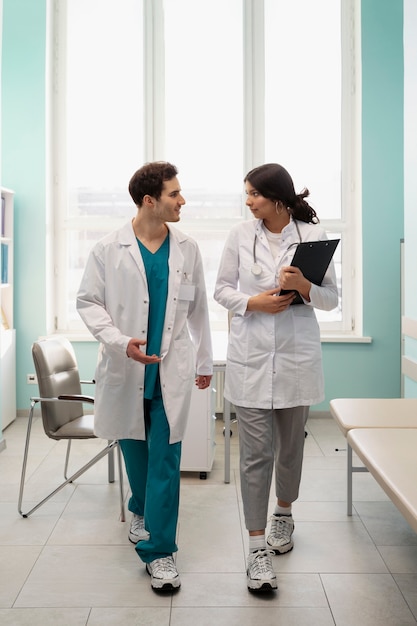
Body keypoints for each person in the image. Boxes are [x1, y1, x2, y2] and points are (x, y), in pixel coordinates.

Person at [77, 161, 213, 591]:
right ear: (150, 201)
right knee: (136, 456)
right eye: (175, 194)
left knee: (166, 461)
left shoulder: (187, 247)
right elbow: (87, 302)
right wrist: (120, 341)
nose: (182, 201)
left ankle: (160, 553)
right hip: (125, 369)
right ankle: (139, 507)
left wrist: (205, 361)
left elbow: (198, 309)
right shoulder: (107, 248)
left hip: (170, 371)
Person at [214, 163, 338, 592]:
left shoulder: (313, 236)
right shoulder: (239, 236)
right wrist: (252, 303)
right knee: (254, 455)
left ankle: (282, 516)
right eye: (246, 194)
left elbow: (330, 301)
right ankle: (255, 549)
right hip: (250, 360)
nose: (248, 202)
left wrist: (304, 285)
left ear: (277, 198)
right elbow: (221, 290)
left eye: (254, 194)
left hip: (295, 361)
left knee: (289, 449)